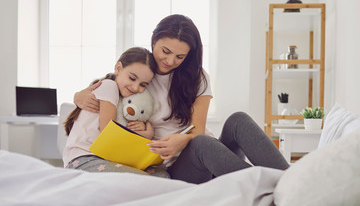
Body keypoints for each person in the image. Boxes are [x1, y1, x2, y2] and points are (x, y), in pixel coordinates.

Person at [74, 14, 289, 184]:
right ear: (153, 40)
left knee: (238, 120)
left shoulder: (198, 77)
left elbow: (198, 127)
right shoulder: (140, 72)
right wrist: (79, 96)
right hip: (176, 168)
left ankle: (290, 179)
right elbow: (111, 84)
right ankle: (269, 186)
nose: (169, 61)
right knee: (203, 143)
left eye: (179, 57)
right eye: (165, 51)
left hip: (210, 154)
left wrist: (183, 140)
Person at [63, 47, 161, 176]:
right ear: (118, 68)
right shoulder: (109, 86)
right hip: (83, 159)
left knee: (161, 175)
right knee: (145, 179)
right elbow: (108, 135)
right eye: (132, 78)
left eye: (143, 85)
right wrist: (147, 135)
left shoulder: (122, 99)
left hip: (101, 159)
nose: (136, 87)